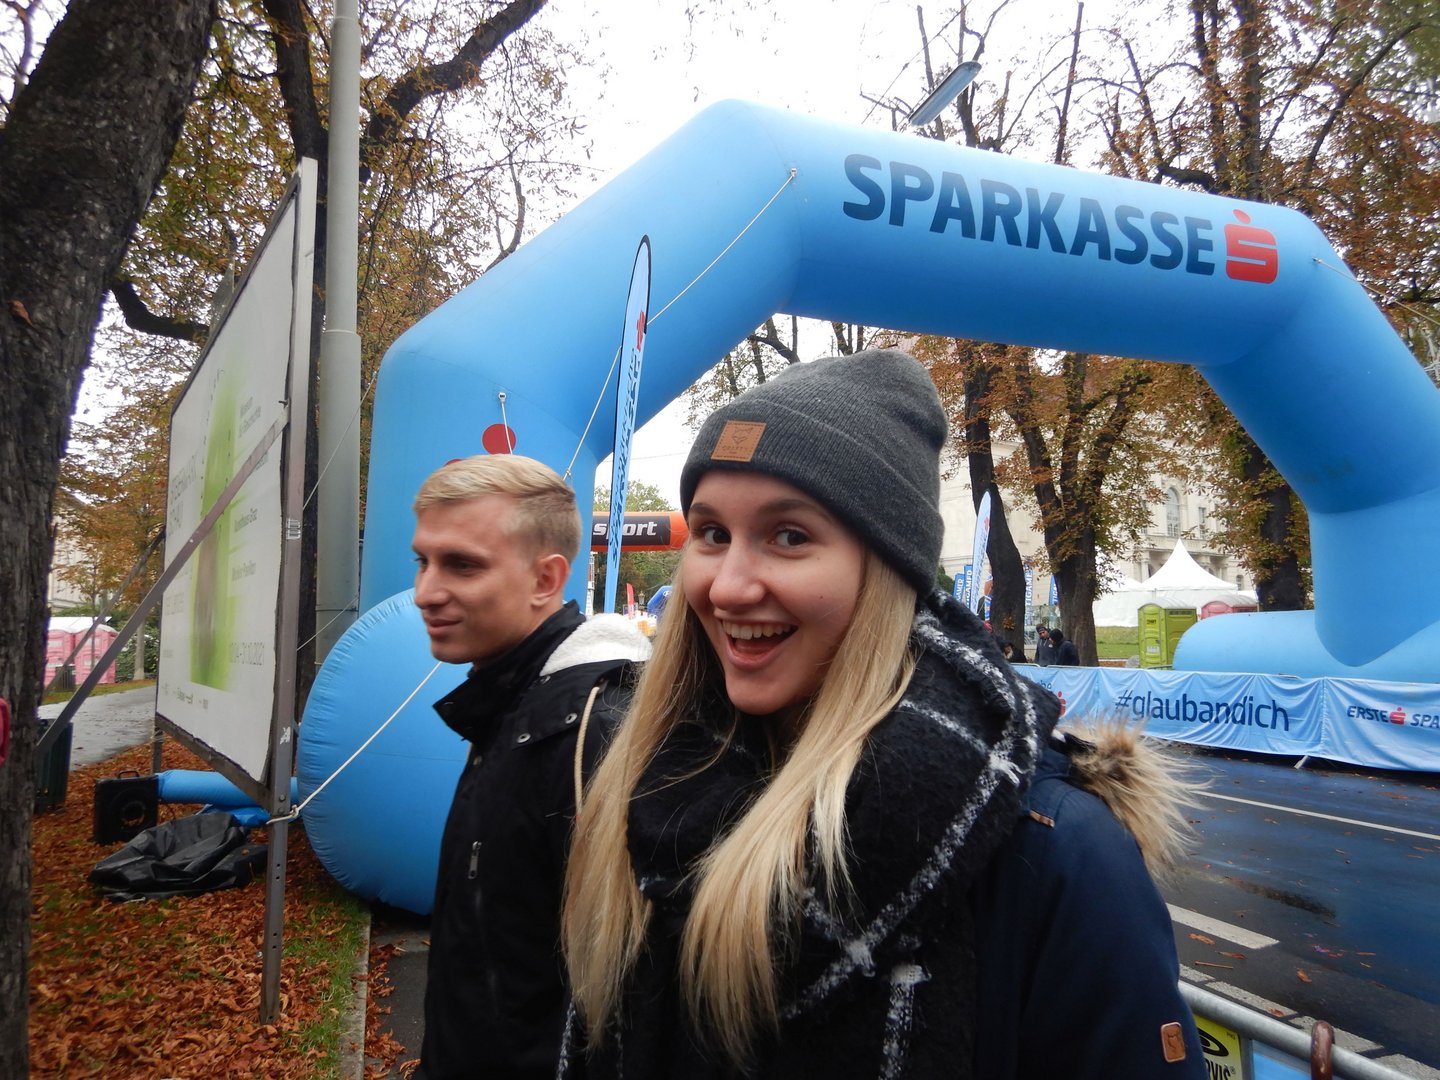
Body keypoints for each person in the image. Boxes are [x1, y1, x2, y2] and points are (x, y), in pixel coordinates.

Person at [559, 349, 1204, 1079]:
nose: (728, 587)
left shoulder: (1053, 853)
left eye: (789, 536)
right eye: (712, 534)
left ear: (889, 568)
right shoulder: (645, 783)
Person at [411, 454, 650, 1080]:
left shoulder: (593, 731)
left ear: (546, 579)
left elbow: (632, 1001)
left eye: (461, 565)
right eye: (423, 561)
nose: (425, 592)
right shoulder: (511, 701)